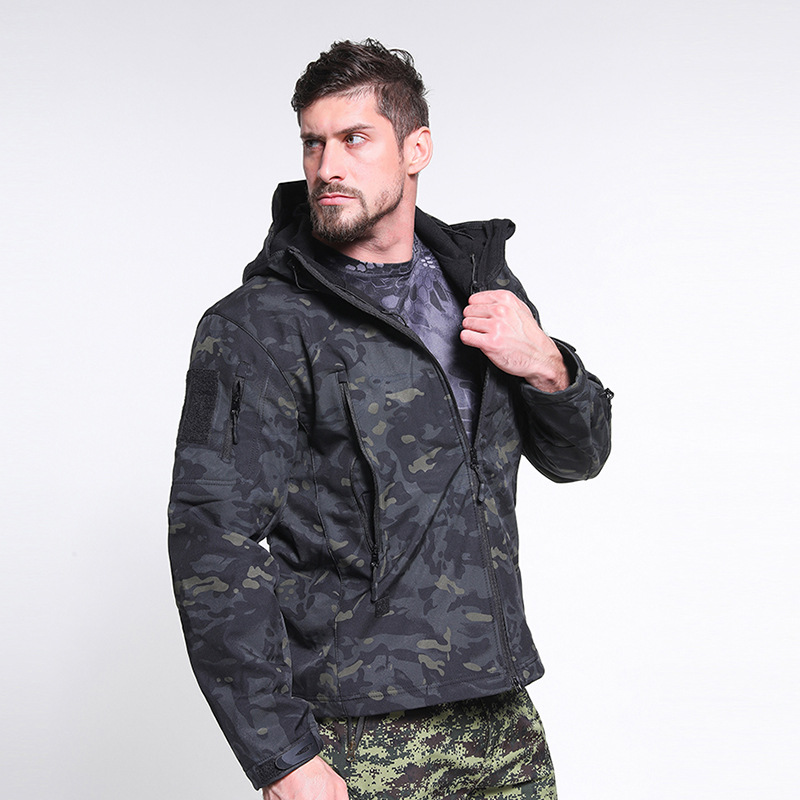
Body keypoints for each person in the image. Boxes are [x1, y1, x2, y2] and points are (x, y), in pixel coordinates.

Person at [168, 39, 612, 800]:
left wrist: (548, 365)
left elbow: (580, 458)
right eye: (314, 143)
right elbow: (212, 540)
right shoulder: (258, 326)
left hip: (499, 714)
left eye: (354, 139)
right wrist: (280, 757)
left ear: (416, 149)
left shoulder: (483, 287)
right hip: (355, 731)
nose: (327, 166)